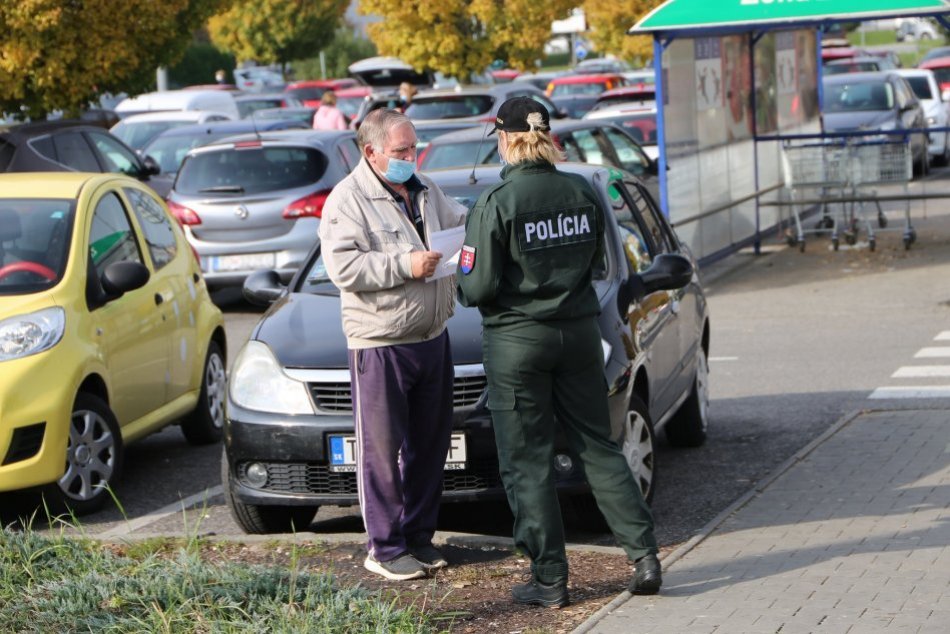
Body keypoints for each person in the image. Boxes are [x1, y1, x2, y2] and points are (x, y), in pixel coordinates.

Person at [456, 97, 662, 608]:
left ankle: (550, 579)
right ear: (547, 137)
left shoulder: (495, 202)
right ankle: (645, 556)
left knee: (528, 462)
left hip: (518, 342)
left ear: (503, 140)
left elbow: (476, 287)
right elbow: (596, 262)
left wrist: (463, 278)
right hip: (577, 335)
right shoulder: (580, 190)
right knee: (598, 445)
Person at [319, 108, 467, 581]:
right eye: (401, 151)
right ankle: (383, 548)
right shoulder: (347, 200)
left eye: (414, 147)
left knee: (430, 444)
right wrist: (406, 265)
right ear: (371, 152)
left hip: (431, 336)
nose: (411, 157)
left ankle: (418, 538)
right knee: (381, 451)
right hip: (381, 342)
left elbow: (459, 225)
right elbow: (344, 268)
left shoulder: (424, 189)